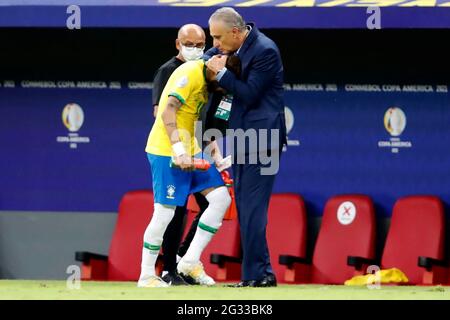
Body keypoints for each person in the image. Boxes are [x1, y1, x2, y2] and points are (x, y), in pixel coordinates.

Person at [138, 56, 242, 288]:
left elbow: (193, 119)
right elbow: (167, 112)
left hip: (191, 149)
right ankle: (146, 276)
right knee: (164, 214)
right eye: (223, 81)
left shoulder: (208, 80)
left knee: (220, 198)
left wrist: (213, 154)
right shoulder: (191, 74)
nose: (223, 88)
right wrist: (178, 151)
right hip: (166, 151)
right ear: (216, 68)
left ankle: (189, 261)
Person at [205, 7, 287, 287]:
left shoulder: (265, 50)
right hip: (241, 139)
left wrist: (221, 75)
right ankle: (261, 274)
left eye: (218, 37)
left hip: (262, 140)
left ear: (236, 32)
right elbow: (210, 57)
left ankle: (255, 275)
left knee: (252, 210)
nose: (214, 43)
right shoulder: (230, 47)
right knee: (246, 208)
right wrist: (204, 61)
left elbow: (250, 94)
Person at [151, 24, 210, 286]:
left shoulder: (207, 69)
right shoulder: (168, 71)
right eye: (189, 44)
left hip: (196, 145)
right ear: (178, 44)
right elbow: (161, 113)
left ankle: (186, 257)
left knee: (214, 201)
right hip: (172, 149)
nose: (195, 49)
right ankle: (167, 268)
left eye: (200, 45)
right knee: (174, 210)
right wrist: (178, 147)